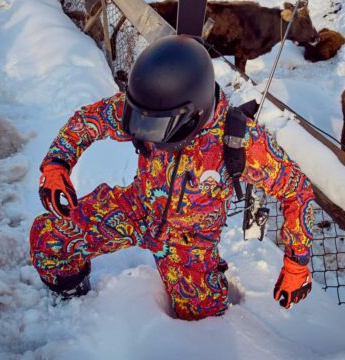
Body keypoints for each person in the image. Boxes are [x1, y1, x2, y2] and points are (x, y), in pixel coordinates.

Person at [30, 35, 315, 320]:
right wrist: (57, 163)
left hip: (189, 244)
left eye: (157, 127)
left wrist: (297, 263)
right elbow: (87, 121)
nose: (146, 130)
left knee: (202, 325)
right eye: (142, 122)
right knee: (51, 241)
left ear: (194, 114)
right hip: (137, 209)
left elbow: (297, 191)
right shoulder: (147, 108)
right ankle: (73, 305)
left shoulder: (240, 141)